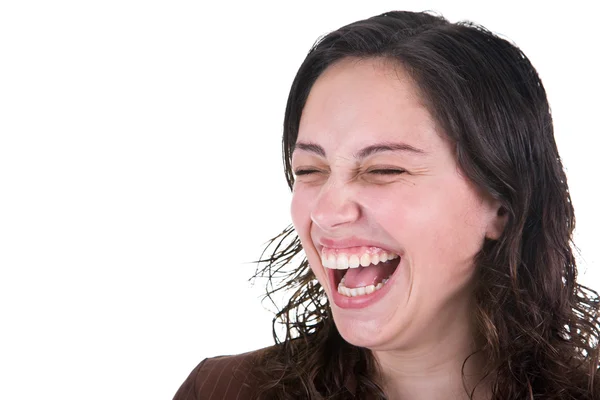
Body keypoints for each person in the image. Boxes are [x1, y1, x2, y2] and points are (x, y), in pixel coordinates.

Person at [173, 10, 600, 400]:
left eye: (384, 171)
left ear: (501, 206)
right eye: (309, 170)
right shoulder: (221, 392)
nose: (327, 211)